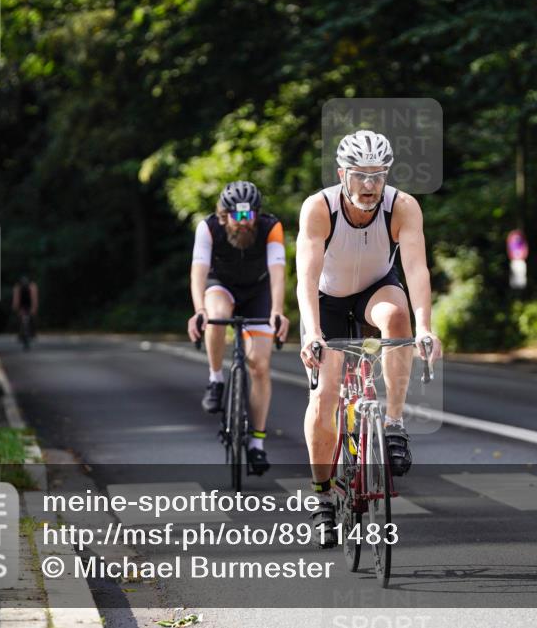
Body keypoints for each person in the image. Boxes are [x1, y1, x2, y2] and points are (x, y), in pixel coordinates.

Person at [296, 130, 442, 547]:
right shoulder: (319, 207)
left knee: (397, 317)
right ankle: (322, 496)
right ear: (342, 173)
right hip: (327, 300)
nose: (369, 185)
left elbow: (416, 270)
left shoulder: (402, 207)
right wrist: (313, 333)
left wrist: (425, 327)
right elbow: (306, 277)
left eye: (378, 175)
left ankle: (393, 424)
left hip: (376, 290)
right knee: (325, 398)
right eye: (360, 174)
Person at [187, 181, 290, 475]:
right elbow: (198, 272)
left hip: (258, 291)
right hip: (221, 285)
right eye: (238, 216)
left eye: (249, 216)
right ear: (224, 215)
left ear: (257, 214)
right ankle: (216, 378)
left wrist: (277, 311)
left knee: (259, 365)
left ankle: (257, 443)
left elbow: (277, 272)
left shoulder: (271, 227)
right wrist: (200, 311)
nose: (244, 223)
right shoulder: (208, 228)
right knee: (217, 316)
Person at [11, 275, 38, 348]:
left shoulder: (32, 287)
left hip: (29, 303)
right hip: (22, 304)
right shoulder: (17, 288)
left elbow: (34, 298)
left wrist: (34, 308)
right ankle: (20, 334)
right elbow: (16, 299)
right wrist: (16, 309)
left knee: (32, 318)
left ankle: (33, 333)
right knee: (20, 319)